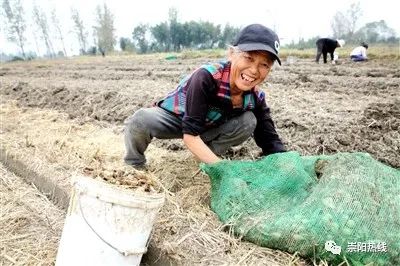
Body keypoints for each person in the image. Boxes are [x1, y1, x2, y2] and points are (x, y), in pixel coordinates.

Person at [124, 24, 286, 169]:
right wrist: (223, 170)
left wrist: (286, 163)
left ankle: (202, 161)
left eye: (264, 64)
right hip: (177, 118)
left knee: (248, 121)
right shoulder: (207, 77)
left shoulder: (255, 97)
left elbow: (269, 138)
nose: (254, 70)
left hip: (207, 126)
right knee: (141, 119)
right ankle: (134, 164)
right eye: (249, 58)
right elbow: (190, 136)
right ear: (231, 54)